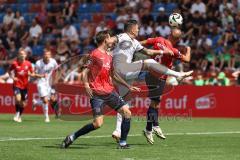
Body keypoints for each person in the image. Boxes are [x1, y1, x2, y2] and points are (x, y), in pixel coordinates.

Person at [111, 20, 193, 142]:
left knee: (125, 103)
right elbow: (110, 40)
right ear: (132, 29)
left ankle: (117, 131)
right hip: (125, 69)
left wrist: (161, 51)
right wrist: (105, 48)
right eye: (137, 28)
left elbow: (148, 51)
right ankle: (178, 75)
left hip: (124, 74)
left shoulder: (139, 42)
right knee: (149, 63)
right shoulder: (122, 36)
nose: (139, 30)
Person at [61, 30, 140, 149]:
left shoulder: (109, 56)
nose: (112, 40)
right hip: (97, 93)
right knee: (98, 124)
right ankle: (72, 137)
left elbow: (113, 75)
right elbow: (84, 72)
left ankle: (123, 143)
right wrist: (87, 85)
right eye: (110, 38)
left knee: (127, 113)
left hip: (109, 91)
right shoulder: (95, 54)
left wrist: (128, 86)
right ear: (105, 40)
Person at [32, 49, 59, 122]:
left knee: (53, 100)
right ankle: (47, 117)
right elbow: (33, 74)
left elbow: (57, 70)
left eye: (48, 55)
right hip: (41, 83)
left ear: (50, 55)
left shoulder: (53, 61)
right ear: (43, 55)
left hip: (49, 83)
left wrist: (55, 80)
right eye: (45, 54)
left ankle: (36, 102)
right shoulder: (38, 63)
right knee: (45, 100)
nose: (47, 56)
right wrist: (41, 75)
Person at [8, 49, 34, 122]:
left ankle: (19, 116)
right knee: (18, 99)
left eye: (23, 54)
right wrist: (13, 77)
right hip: (17, 84)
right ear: (18, 55)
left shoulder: (28, 64)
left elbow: (32, 73)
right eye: (20, 54)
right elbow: (9, 70)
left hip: (25, 86)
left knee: (23, 104)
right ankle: (17, 113)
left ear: (25, 55)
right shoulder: (14, 63)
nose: (22, 55)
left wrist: (32, 74)